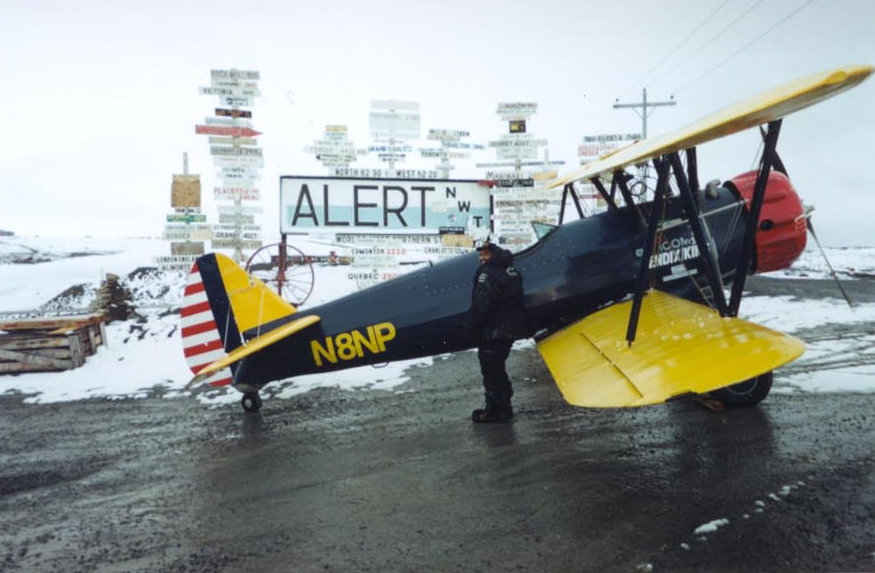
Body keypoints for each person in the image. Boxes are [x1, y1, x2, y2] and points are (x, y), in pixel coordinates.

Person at [466, 240, 527, 423]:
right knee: (498, 367)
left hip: (493, 330)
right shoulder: (512, 272)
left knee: (490, 369)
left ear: (493, 254)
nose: (481, 258)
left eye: (484, 254)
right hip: (509, 330)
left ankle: (494, 410)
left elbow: (481, 304)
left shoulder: (487, 275)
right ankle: (504, 405)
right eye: (480, 254)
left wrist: (472, 327)